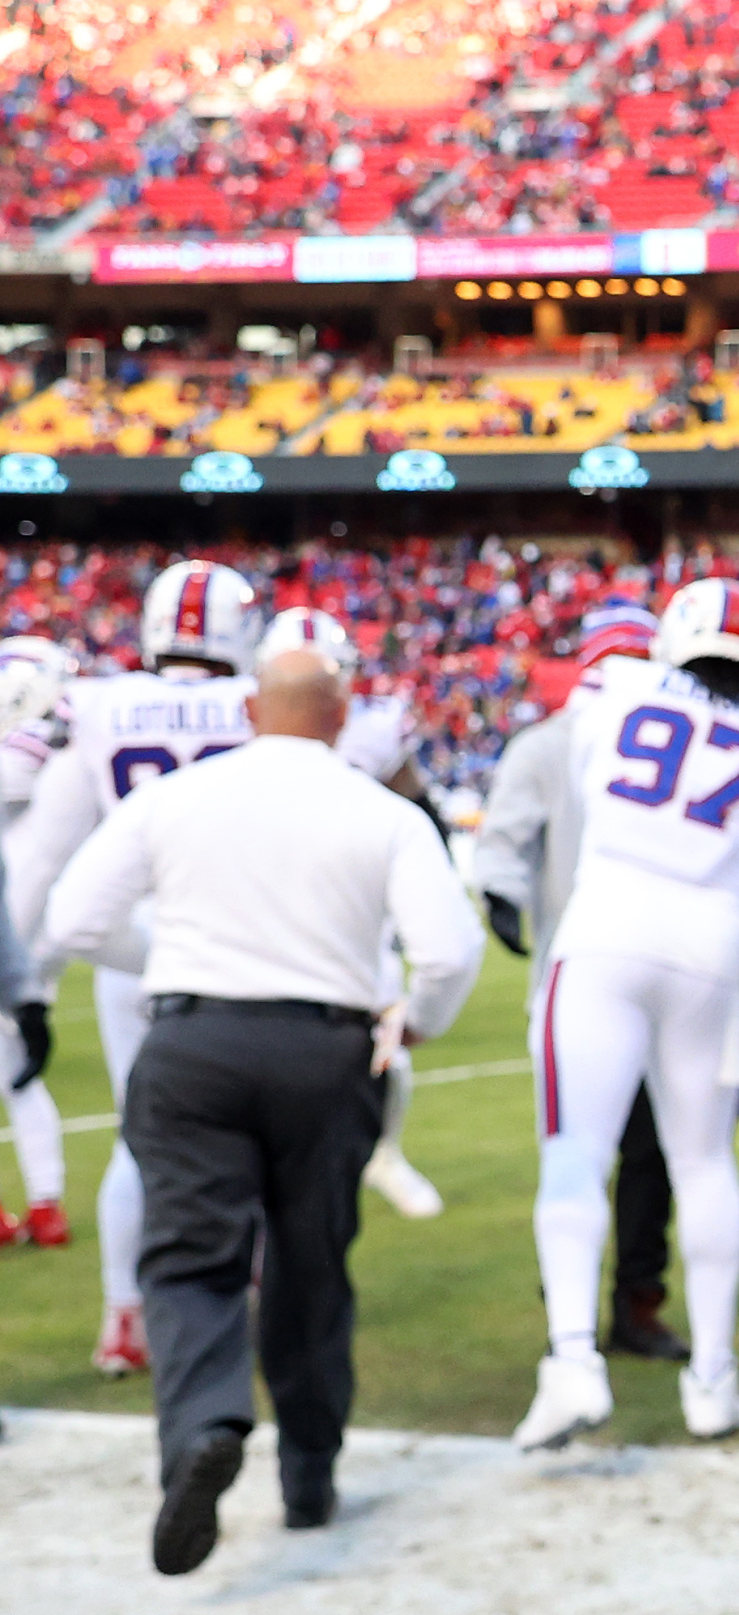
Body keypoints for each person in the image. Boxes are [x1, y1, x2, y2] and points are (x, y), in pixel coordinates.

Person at [40, 645, 482, 1573]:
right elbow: (445, 951)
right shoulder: (384, 810)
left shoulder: (176, 797)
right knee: (311, 1264)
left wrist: (170, 960)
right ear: (339, 715)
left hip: (195, 1039)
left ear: (251, 711)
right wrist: (418, 1026)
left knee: (190, 1260)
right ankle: (309, 1474)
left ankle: (202, 1425)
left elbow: (73, 917)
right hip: (326, 1049)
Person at [509, 579, 739, 1451]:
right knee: (703, 1162)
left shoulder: (613, 693)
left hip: (606, 926)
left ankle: (574, 1359)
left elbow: (589, 798)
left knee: (574, 1153)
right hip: (712, 944)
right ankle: (713, 1381)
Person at [5, 561, 267, 1380]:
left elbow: (45, 856)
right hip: (240, 941)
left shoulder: (103, 705)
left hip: (135, 946)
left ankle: (126, 1319)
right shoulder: (258, 703)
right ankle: (249, 1294)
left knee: (136, 1137)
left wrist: (21, 982)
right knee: (254, 1133)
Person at [468, 600, 689, 1362]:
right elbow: (504, 840)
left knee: (628, 1154)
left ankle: (628, 1298)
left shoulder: (557, 739)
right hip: (603, 976)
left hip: (624, 974)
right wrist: (500, 890)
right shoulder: (553, 744)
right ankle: (599, 1296)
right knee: (604, 1151)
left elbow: (501, 843)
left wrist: (500, 893)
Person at [260, 606, 451, 1222]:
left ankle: (384, 1153)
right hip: (269, 902)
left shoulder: (374, 729)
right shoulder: (247, 734)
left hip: (354, 905)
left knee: (387, 1041)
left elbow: (414, 797)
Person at [0, 633, 78, 1251]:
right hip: (46, 930)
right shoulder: (70, 741)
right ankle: (45, 1204)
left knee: (17, 1070)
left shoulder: (35, 743)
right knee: (22, 1073)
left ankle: (39, 1204)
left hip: (15, 930)